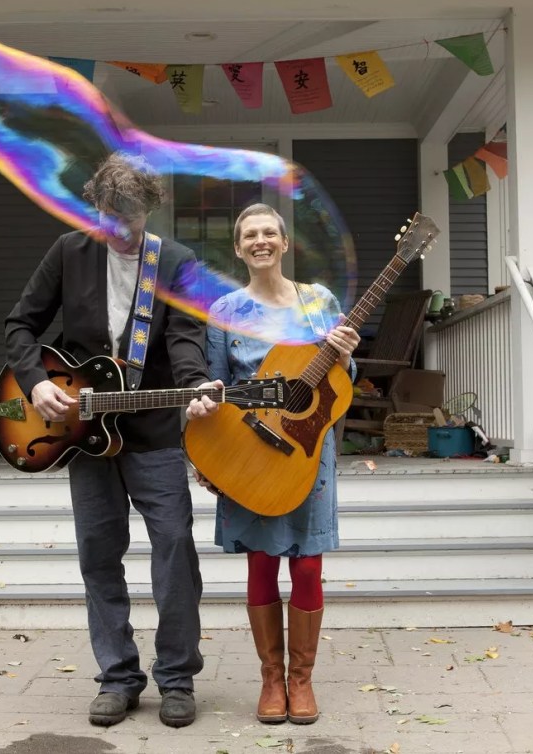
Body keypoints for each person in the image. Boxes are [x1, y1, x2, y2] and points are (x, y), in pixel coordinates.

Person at [5, 152, 221, 729]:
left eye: (133, 220)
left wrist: (196, 387)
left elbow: (186, 338)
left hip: (152, 434)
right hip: (80, 433)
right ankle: (118, 677)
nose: (122, 233)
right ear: (95, 207)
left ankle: (177, 678)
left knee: (175, 550)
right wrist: (37, 383)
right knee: (98, 556)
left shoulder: (175, 261)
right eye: (110, 219)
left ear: (150, 210)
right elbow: (20, 324)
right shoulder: (67, 253)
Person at [186, 203, 358, 725]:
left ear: (285, 244)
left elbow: (340, 377)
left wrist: (347, 355)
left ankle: (301, 680)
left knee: (307, 566)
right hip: (251, 454)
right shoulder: (226, 312)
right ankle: (270, 678)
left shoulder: (318, 302)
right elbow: (214, 386)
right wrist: (200, 409)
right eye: (249, 235)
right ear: (239, 249)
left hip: (308, 451)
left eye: (269, 233)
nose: (260, 241)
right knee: (260, 563)